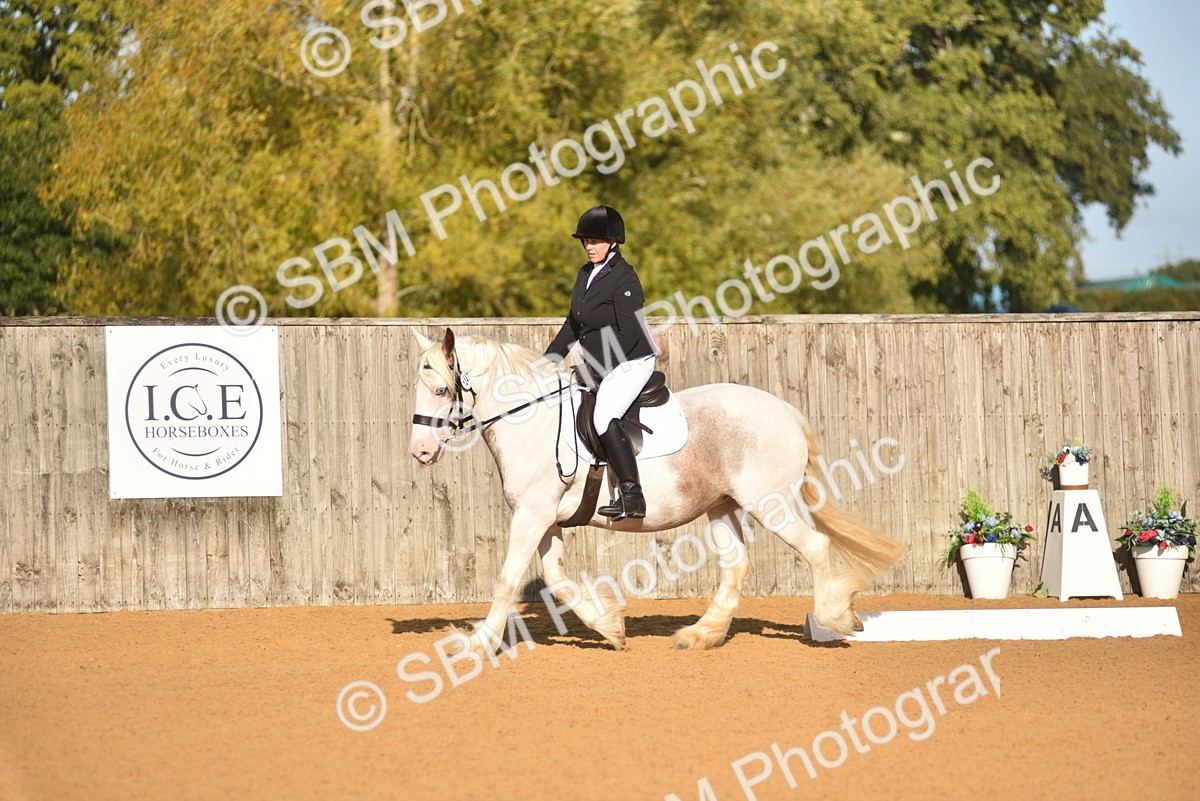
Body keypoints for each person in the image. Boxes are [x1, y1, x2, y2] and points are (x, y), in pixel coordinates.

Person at [546, 205, 656, 519]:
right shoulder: (585, 274)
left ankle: (633, 496)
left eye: (595, 241)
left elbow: (629, 332)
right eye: (586, 241)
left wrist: (598, 365)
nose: (589, 247)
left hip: (632, 359)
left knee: (604, 415)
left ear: (613, 242)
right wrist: (548, 361)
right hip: (601, 361)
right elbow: (573, 324)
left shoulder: (625, 277)